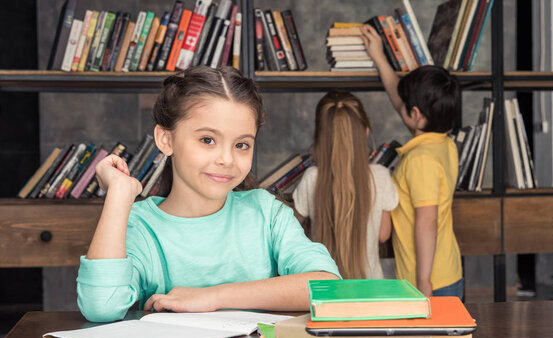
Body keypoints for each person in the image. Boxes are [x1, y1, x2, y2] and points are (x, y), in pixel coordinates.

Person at [77, 66, 340, 322]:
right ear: (166, 139)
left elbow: (327, 288)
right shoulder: (139, 225)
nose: (227, 159)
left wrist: (213, 297)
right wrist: (119, 195)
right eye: (207, 140)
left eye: (241, 145)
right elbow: (102, 307)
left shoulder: (266, 212)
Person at [361, 25, 463, 299]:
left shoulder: (420, 160)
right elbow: (401, 102)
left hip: (431, 281)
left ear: (416, 114)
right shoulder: (443, 142)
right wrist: (379, 56)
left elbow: (427, 222)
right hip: (447, 270)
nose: (400, 105)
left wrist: (424, 281)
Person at [293, 90, 398, 279]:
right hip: (371, 290)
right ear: (365, 132)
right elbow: (383, 235)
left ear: (320, 137)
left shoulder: (311, 178)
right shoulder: (381, 177)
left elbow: (292, 231)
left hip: (325, 289)